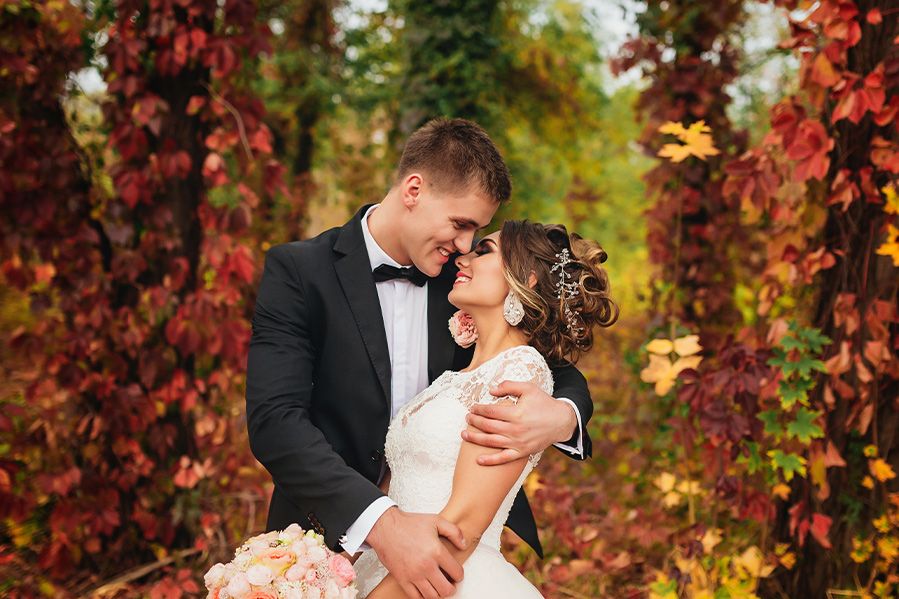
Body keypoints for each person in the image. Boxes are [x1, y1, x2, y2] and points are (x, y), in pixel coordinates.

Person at [245, 118, 596, 599]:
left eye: (478, 233)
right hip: (327, 546)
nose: (466, 246)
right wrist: (381, 525)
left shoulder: (462, 285)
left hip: (450, 561)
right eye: (461, 224)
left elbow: (546, 359)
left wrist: (562, 417)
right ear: (414, 189)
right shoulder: (300, 272)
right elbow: (275, 422)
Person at [353, 220, 618, 597]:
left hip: (439, 575)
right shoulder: (456, 376)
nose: (464, 257)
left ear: (525, 280)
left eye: (485, 250)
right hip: (387, 564)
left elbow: (461, 528)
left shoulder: (518, 371)